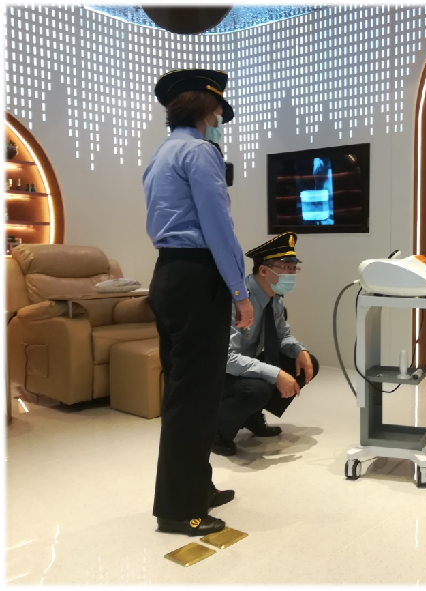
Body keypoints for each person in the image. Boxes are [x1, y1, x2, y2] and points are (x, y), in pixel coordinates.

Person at [144, 69, 253, 536]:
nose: (220, 119)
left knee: (183, 390)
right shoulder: (201, 152)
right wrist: (240, 292)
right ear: (208, 109)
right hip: (197, 278)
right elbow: (218, 228)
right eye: (218, 110)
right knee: (196, 397)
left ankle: (197, 487)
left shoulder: (160, 155)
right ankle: (179, 508)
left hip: (168, 275)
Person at [211, 232, 320, 457]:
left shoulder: (274, 297)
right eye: (286, 268)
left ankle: (250, 415)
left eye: (294, 269)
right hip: (218, 371)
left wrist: (299, 350)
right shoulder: (237, 300)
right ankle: (217, 430)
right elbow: (227, 359)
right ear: (264, 270)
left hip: (244, 363)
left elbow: (281, 336)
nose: (292, 274)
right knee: (257, 388)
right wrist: (275, 374)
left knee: (307, 362)